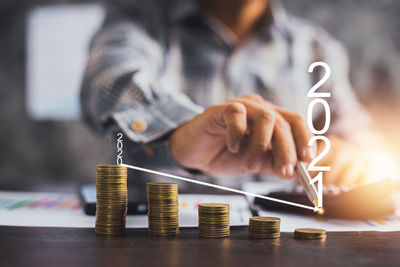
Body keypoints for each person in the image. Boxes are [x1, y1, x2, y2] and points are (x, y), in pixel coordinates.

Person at [80, 0, 370, 188]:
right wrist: (181, 134)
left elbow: (358, 136)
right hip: (155, 243)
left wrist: (349, 155)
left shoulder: (317, 47)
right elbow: (109, 84)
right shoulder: (136, 21)